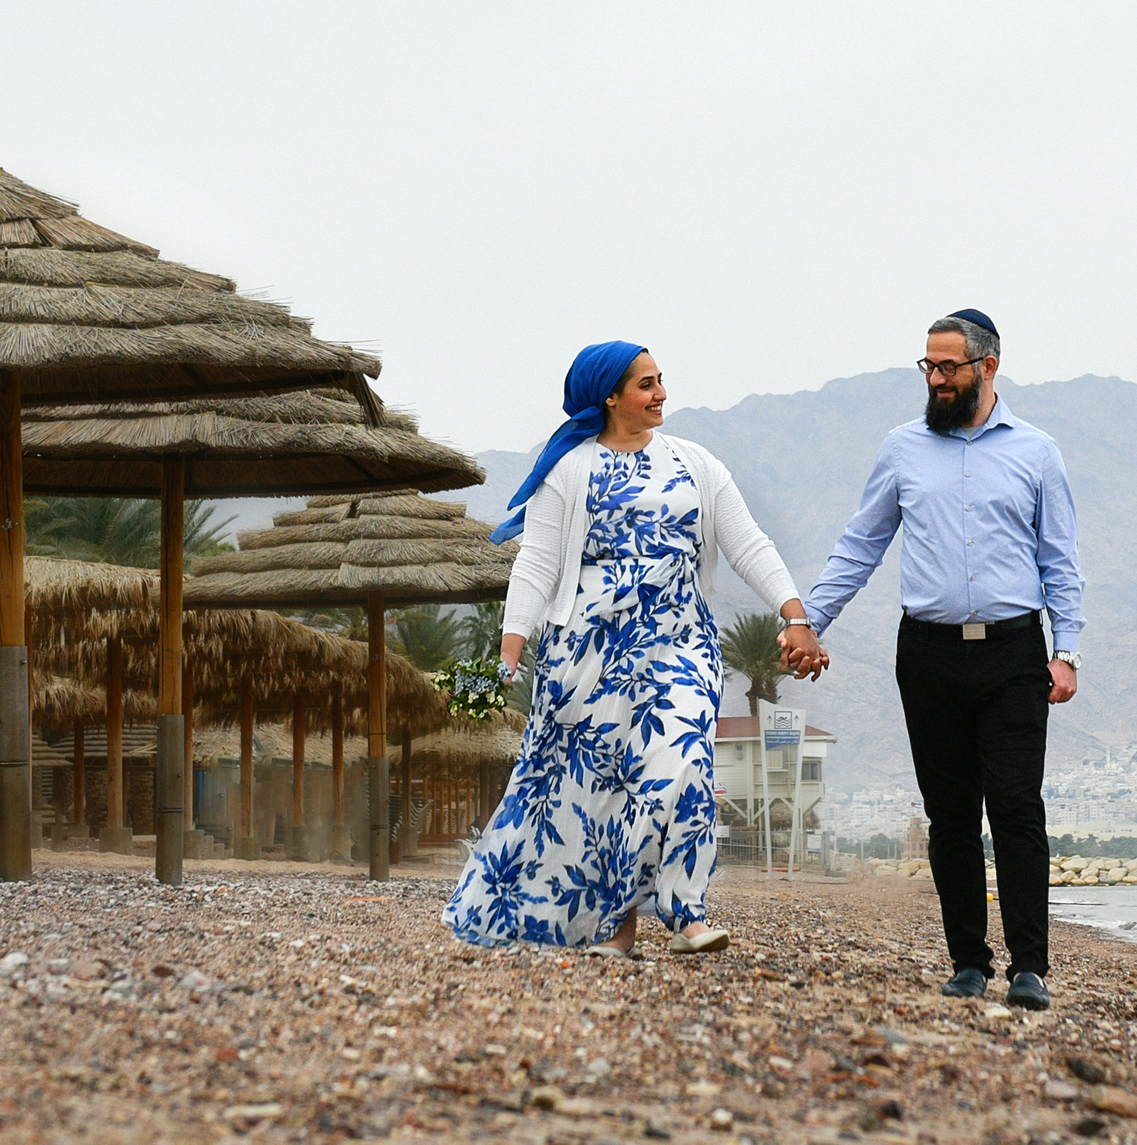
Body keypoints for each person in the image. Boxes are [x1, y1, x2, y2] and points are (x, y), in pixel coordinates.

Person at [443, 341, 820, 957]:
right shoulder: (570, 471)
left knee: (683, 765)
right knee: (597, 790)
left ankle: (686, 911)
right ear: (610, 397)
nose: (661, 393)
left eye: (660, 380)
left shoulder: (695, 464)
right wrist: (510, 653)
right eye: (646, 384)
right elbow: (535, 567)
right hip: (588, 654)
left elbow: (748, 541)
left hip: (680, 644)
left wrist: (794, 612)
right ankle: (614, 928)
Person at [792, 310, 1082, 1010]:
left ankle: (1030, 968)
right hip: (927, 654)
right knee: (950, 813)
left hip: (1015, 650)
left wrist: (1066, 648)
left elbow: (1060, 557)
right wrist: (808, 620)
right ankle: (968, 962)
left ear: (987, 367)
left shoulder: (1037, 451)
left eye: (948, 366)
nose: (936, 377)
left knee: (1016, 807)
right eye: (928, 366)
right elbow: (862, 543)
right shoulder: (902, 448)